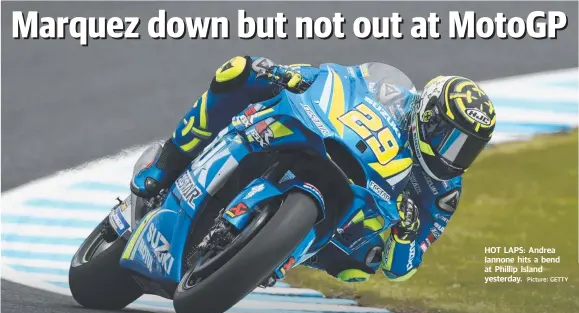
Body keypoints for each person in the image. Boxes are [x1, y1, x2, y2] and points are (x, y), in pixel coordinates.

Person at [131, 56, 496, 284]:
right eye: (450, 139)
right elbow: (339, 80)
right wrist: (290, 75)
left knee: (360, 267)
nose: (454, 155)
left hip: (353, 211)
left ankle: (270, 254)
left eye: (468, 148)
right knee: (239, 71)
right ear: (427, 117)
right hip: (327, 139)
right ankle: (167, 163)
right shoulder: (393, 93)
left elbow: (400, 271)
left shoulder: (444, 191)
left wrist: (406, 234)